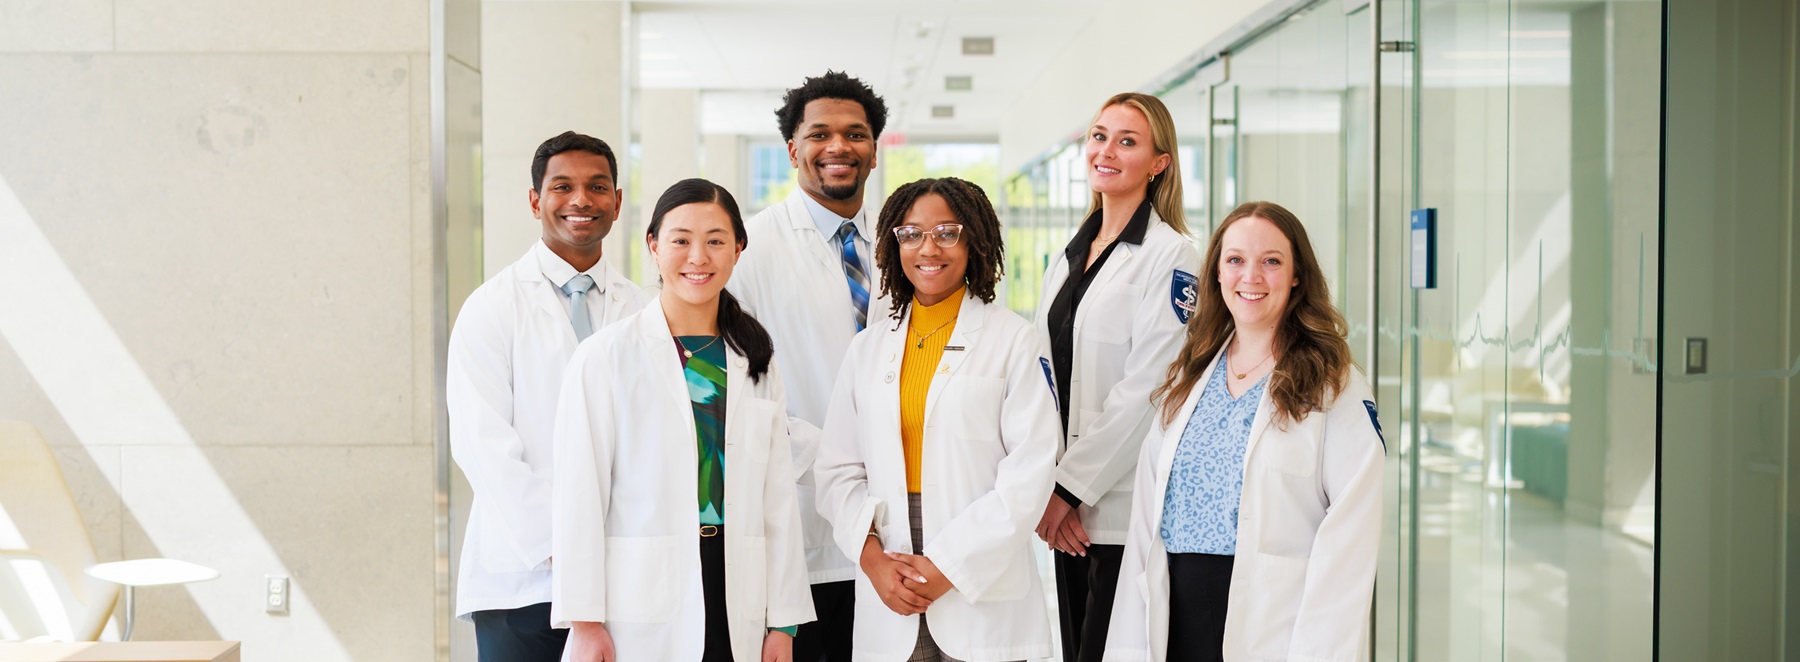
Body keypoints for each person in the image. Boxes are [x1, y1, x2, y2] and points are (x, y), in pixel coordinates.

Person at [1105, 201, 1385, 661]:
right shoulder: (1187, 376)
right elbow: (1145, 524)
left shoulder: (1336, 383)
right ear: (1216, 272)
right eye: (1235, 260)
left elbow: (1350, 536)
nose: (1250, 276)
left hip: (1275, 624)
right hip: (1174, 615)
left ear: (1297, 275)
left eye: (1271, 261)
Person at [551, 179, 814, 662]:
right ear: (653, 245)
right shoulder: (605, 358)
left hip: (738, 583)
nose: (699, 257)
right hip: (642, 594)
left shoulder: (755, 359)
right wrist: (584, 621)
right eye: (680, 240)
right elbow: (579, 496)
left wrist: (785, 622)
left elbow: (777, 497)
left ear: (738, 249)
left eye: (715, 240)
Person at [814, 177, 1059, 662]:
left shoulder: (1014, 339)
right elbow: (837, 470)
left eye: (948, 232)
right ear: (893, 243)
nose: (929, 247)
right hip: (890, 566)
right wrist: (874, 562)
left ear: (975, 242)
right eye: (912, 234)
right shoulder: (868, 348)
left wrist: (945, 568)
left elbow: (1030, 472)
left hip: (978, 572)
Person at [447, 131, 646, 662]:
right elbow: (482, 444)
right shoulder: (491, 308)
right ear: (536, 200)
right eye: (563, 186)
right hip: (524, 579)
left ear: (617, 202)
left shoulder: (646, 311)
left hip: (625, 576)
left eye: (598, 186)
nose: (582, 200)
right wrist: (567, 547)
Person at [728, 69, 894, 662]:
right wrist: (830, 461)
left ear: (874, 149)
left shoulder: (905, 242)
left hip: (899, 518)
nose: (838, 147)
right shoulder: (749, 248)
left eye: (855, 134)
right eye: (819, 134)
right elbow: (732, 385)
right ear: (793, 148)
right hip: (802, 519)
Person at [1030, 93, 1202, 662]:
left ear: (1159, 163)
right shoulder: (1070, 254)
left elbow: (1148, 390)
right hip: (1062, 508)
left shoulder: (1172, 258)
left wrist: (1068, 489)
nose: (1106, 150)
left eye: (1127, 141)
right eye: (1100, 136)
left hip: (1115, 513)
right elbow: (1045, 375)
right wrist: (1046, 487)